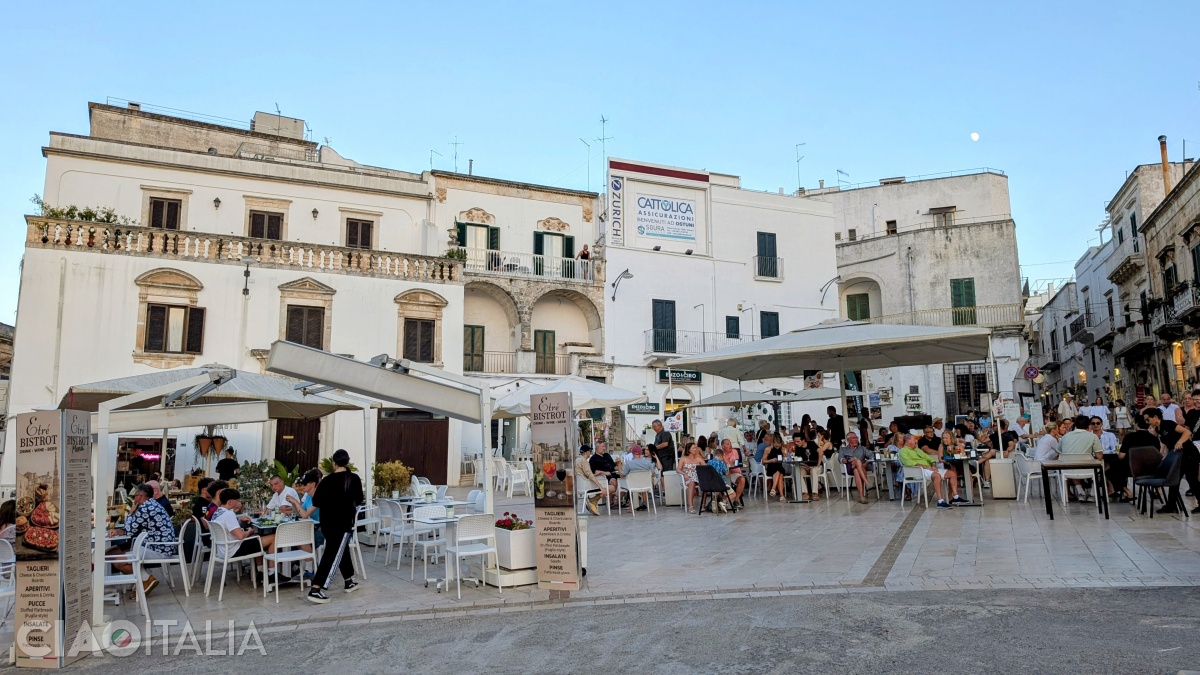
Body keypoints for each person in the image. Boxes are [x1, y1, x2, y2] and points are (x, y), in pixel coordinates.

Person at [308, 449, 364, 603]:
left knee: (340, 549)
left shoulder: (327, 480)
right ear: (347, 461)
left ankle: (348, 580)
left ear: (334, 463)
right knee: (332, 554)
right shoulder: (353, 478)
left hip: (327, 522)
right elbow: (359, 499)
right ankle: (316, 588)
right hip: (343, 522)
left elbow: (316, 502)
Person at [108, 483, 178, 596]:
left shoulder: (145, 508)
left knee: (118, 561)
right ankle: (145, 578)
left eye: (134, 496)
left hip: (158, 549)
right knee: (116, 553)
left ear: (140, 496)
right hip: (161, 546)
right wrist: (118, 531)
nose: (134, 498)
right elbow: (133, 529)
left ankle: (146, 579)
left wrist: (131, 513)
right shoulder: (153, 504)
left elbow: (130, 530)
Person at [208, 487, 272, 583]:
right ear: (230, 502)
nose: (239, 503)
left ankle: (261, 572)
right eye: (237, 501)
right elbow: (241, 536)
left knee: (255, 538)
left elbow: (228, 527)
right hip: (233, 550)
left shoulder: (217, 512)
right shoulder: (229, 514)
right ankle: (272, 573)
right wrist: (249, 531)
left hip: (223, 549)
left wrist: (239, 520)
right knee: (273, 537)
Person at [1143, 407, 1192, 514]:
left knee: (1191, 479)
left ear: (1155, 417)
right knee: (1175, 479)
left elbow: (1187, 432)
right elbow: (1165, 444)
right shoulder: (1158, 429)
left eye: (1148, 420)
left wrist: (1180, 442)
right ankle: (1171, 505)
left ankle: (1171, 505)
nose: (1148, 422)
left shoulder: (1168, 424)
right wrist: (1163, 455)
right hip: (1177, 455)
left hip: (1188, 453)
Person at [898, 433, 965, 508]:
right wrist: (926, 467)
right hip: (918, 471)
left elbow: (930, 459)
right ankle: (940, 501)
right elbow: (909, 463)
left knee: (952, 473)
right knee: (937, 476)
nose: (916, 441)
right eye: (914, 439)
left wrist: (933, 466)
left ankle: (955, 497)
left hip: (929, 469)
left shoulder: (917, 450)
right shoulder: (903, 451)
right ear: (908, 440)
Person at [1058, 414, 1104, 502]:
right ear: (1088, 426)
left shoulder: (1065, 436)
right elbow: (1099, 456)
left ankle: (1080, 492)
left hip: (1069, 470)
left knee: (1074, 463)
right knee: (1101, 467)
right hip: (1088, 470)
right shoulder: (1092, 436)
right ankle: (1093, 493)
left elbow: (1060, 452)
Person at [288, 469, 324, 561]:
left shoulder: (319, 497)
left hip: (321, 530)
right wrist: (292, 503)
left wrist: (296, 501)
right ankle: (298, 565)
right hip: (310, 527)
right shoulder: (308, 496)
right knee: (289, 536)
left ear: (312, 484)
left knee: (296, 537)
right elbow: (300, 512)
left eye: (305, 484)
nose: (302, 486)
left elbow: (305, 515)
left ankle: (310, 566)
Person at [839, 432, 872, 504]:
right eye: (854, 438)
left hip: (862, 468)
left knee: (856, 470)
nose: (856, 439)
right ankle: (866, 482)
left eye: (857, 438)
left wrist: (866, 463)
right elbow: (840, 460)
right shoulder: (843, 449)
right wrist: (848, 460)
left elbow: (872, 456)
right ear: (848, 440)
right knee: (858, 461)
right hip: (850, 468)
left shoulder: (862, 448)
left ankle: (861, 497)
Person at [619, 446, 656, 511]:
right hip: (646, 486)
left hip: (633, 486)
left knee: (623, 484)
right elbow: (653, 474)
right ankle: (644, 503)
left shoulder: (629, 464)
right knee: (641, 481)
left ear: (632, 453)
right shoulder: (648, 463)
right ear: (641, 453)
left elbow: (622, 475)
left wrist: (619, 465)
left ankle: (625, 505)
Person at [677, 442, 707, 513]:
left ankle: (703, 505)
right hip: (688, 477)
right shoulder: (683, 459)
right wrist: (684, 474)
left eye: (695, 448)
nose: (695, 449)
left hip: (697, 476)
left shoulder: (698, 458)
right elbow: (678, 469)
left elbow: (706, 467)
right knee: (692, 483)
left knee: (705, 484)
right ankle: (691, 506)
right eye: (693, 448)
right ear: (689, 450)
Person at [721, 438, 748, 506]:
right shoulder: (720, 453)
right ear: (723, 446)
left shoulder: (734, 451)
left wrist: (724, 458)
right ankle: (723, 500)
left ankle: (736, 500)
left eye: (730, 443)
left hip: (734, 473)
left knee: (742, 479)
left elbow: (732, 464)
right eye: (727, 444)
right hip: (724, 475)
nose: (730, 445)